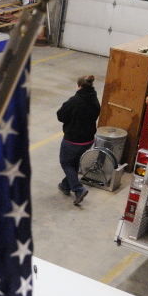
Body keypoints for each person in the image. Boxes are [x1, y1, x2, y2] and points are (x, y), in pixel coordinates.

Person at [56, 74, 101, 206]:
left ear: (79, 86)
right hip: (88, 140)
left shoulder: (74, 100)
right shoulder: (95, 100)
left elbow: (61, 116)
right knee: (74, 163)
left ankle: (78, 189)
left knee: (66, 163)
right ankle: (65, 186)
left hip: (73, 139)